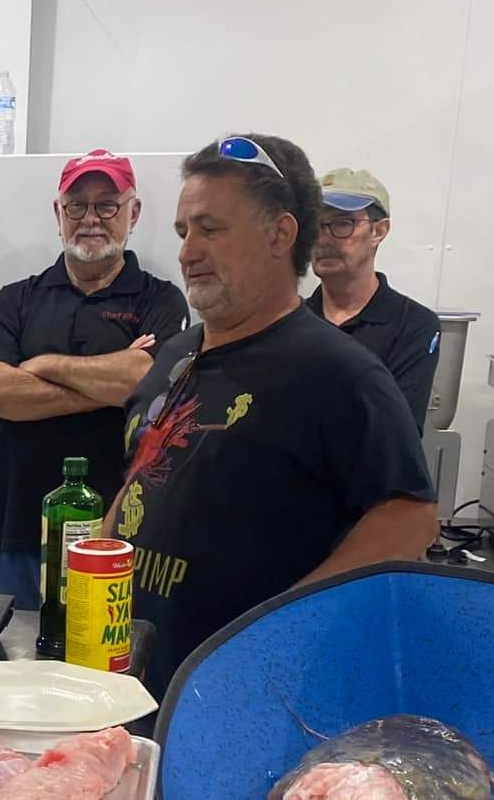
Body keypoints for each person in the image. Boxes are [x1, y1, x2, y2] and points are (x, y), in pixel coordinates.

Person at [112, 134, 440, 695]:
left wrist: (276, 629)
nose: (188, 251)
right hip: (136, 670)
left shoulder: (335, 371)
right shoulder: (176, 353)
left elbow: (408, 518)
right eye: (183, 232)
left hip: (250, 691)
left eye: (211, 229)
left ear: (279, 234)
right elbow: (144, 469)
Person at [0, 150, 187, 609]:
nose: (91, 219)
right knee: (13, 671)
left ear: (134, 212)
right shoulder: (15, 300)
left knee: (105, 673)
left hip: (118, 535)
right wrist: (111, 385)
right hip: (18, 531)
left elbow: (146, 378)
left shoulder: (161, 300)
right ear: (58, 214)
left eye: (107, 204)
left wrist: (43, 364)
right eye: (76, 205)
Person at [305, 167, 442, 429]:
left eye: (342, 223)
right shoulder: (292, 322)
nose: (323, 239)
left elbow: (394, 433)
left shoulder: (412, 325)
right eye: (315, 225)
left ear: (378, 231)